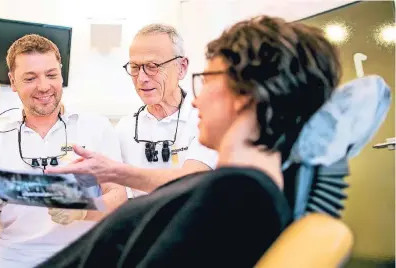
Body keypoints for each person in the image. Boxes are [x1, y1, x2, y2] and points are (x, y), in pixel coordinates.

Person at [37, 15, 342, 267]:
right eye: (135, 68)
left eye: (207, 80)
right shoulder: (241, 190)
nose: (196, 101)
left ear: (243, 94)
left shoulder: (238, 193)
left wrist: (112, 171)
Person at [0, 34, 127, 268]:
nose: (44, 86)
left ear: (61, 73)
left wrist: (83, 210)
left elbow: (119, 197)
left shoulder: (96, 127)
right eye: (30, 78)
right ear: (13, 81)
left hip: (84, 256)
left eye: (51, 75)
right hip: (11, 259)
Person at [45, 24, 217, 199]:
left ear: (181, 67)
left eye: (152, 66)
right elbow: (115, 196)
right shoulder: (125, 128)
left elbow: (191, 181)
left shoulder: (203, 119)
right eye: (135, 67)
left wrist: (116, 172)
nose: (141, 78)